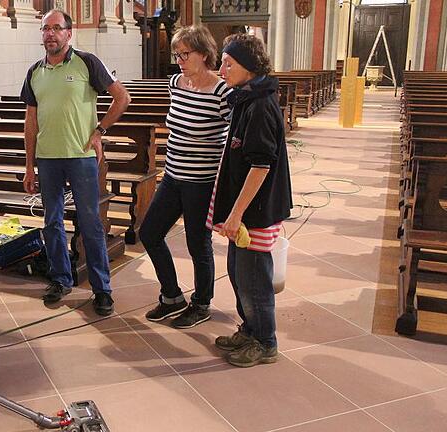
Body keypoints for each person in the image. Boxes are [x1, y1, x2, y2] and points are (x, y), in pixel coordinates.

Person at [20, 9, 131, 316]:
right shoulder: (35, 72)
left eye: (56, 28)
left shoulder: (87, 62)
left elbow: (122, 97)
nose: (50, 34)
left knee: (91, 224)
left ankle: (102, 289)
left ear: (69, 33)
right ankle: (60, 279)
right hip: (48, 159)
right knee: (52, 221)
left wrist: (100, 132)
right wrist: (30, 165)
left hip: (81, 158)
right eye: (45, 29)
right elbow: (30, 121)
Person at [139, 24, 232, 328]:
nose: (179, 60)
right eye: (177, 54)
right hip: (173, 177)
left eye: (185, 54)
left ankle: (201, 303)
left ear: (205, 54)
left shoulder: (222, 92)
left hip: (202, 183)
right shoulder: (176, 83)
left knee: (198, 244)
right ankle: (171, 297)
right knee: (150, 233)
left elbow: (233, 139)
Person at [209, 33, 293, 368]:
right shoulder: (246, 97)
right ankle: (250, 328)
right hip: (244, 210)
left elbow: (261, 166)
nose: (221, 69)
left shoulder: (260, 105)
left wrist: (236, 215)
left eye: (228, 63)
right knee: (237, 272)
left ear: (248, 65)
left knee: (255, 278)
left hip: (255, 210)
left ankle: (265, 341)